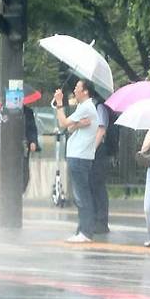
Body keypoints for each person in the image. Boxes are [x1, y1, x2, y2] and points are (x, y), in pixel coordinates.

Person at [54, 80, 98, 243]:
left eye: (77, 88)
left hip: (80, 157)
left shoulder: (86, 106)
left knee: (81, 195)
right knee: (81, 194)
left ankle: (86, 232)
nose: (74, 90)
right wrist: (78, 124)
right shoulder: (83, 107)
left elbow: (63, 123)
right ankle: (83, 230)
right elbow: (71, 127)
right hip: (79, 156)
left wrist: (59, 103)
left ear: (85, 91)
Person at [0, 106, 41, 193]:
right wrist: (1, 118)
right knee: (7, 170)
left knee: (24, 170)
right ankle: (8, 191)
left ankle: (20, 191)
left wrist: (33, 141)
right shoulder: (3, 111)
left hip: (23, 146)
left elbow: (32, 128)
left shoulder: (28, 112)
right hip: (7, 146)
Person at [91, 101, 112, 234]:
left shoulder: (100, 107)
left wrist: (92, 149)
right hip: (93, 149)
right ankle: (95, 219)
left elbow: (101, 130)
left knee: (98, 185)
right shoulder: (93, 106)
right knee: (92, 185)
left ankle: (101, 221)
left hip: (98, 150)